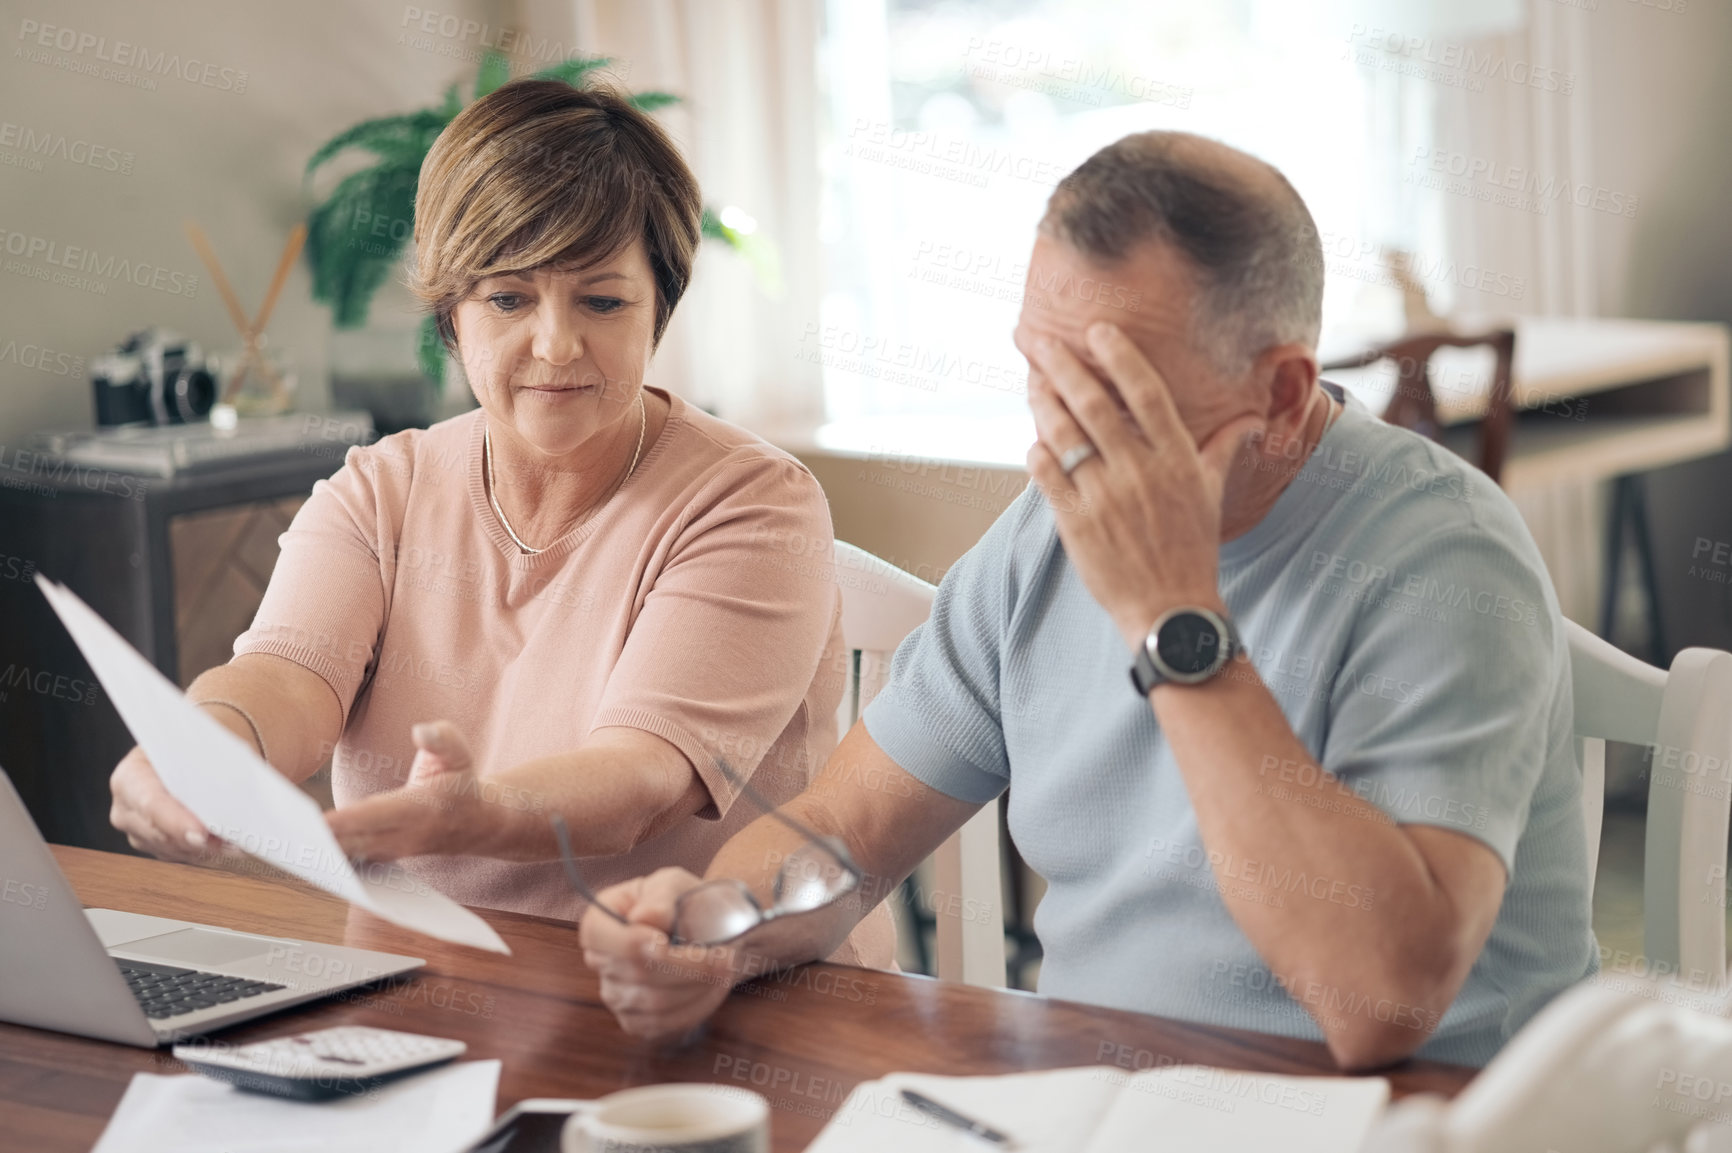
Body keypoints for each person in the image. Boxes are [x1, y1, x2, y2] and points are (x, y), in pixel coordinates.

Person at [577, 131, 1597, 1069]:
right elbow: (846, 830)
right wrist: (712, 926)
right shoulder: (1040, 535)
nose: (1057, 435)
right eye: (1038, 372)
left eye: (1112, 393)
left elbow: (1379, 1004)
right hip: (1098, 1106)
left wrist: (1171, 616)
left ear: (1283, 395)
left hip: (1415, 1119)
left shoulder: (1448, 561)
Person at [104, 78, 894, 968]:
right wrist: (203, 747)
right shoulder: (381, 487)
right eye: (509, 299)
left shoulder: (753, 502)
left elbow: (642, 779)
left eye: (602, 300)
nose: (556, 345)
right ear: (451, 313)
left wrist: (481, 813)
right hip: (427, 977)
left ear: (658, 309)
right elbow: (285, 676)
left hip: (704, 987)